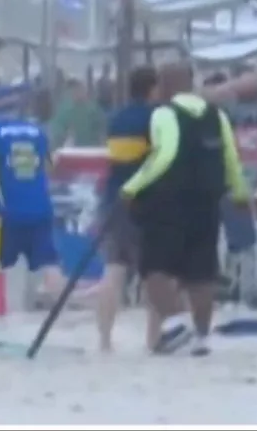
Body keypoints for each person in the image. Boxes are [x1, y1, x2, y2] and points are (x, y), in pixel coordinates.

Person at [119, 63, 250, 356]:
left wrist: (131, 186)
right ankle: (202, 337)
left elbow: (163, 156)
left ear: (164, 85)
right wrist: (240, 192)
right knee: (201, 274)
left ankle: (177, 325)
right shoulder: (218, 116)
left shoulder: (164, 114)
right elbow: (231, 157)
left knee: (155, 269)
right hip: (207, 203)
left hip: (169, 203)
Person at [95, 66, 160, 353]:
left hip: (114, 200)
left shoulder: (115, 119)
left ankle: (105, 341)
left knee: (113, 272)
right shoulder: (155, 118)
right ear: (153, 89)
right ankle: (152, 341)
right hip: (146, 202)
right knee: (153, 274)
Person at [0, 97, 69, 298]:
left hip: (8, 212)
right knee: (49, 263)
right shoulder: (37, 132)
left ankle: (2, 313)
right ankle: (62, 309)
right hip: (40, 209)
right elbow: (47, 168)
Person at [49, 80, 108, 148]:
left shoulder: (94, 110)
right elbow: (57, 135)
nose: (79, 93)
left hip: (89, 152)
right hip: (76, 152)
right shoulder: (63, 111)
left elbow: (102, 134)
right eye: (76, 91)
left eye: (81, 90)